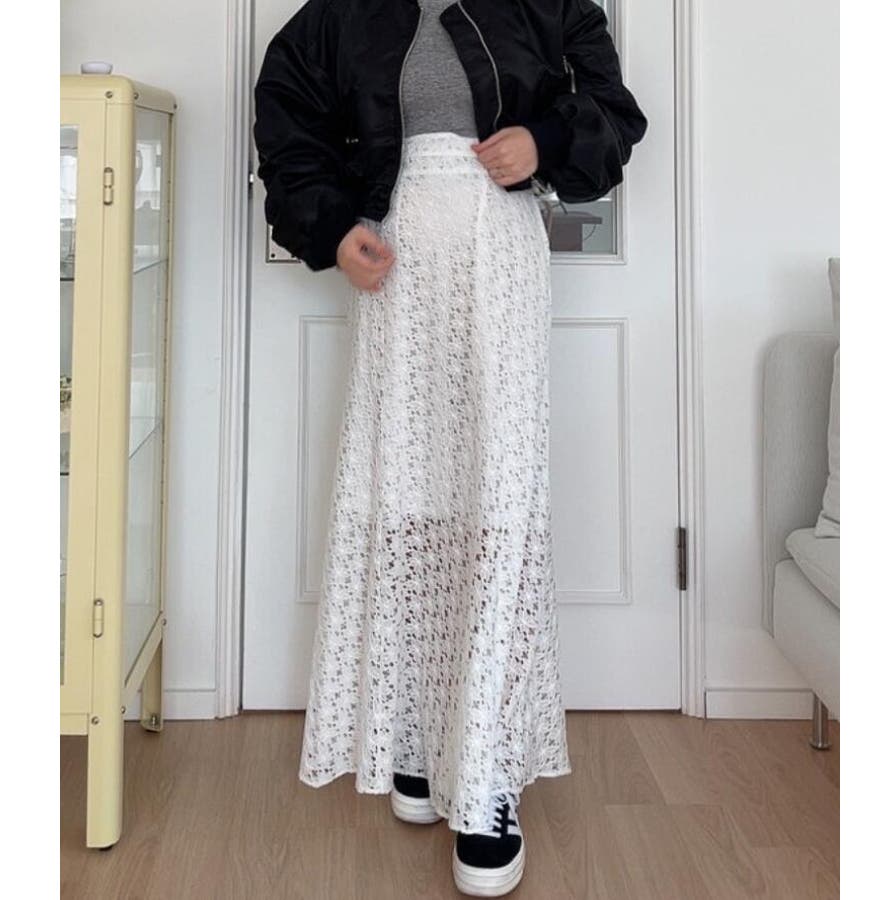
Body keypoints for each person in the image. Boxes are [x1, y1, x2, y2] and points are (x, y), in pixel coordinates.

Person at [253, 1, 647, 895]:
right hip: (398, 262)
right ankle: (421, 737)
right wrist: (330, 226)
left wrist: (545, 140)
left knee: (497, 507)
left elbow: (614, 114)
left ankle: (488, 771)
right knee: (410, 498)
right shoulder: (347, 11)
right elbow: (288, 110)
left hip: (500, 256)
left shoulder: (549, 2)